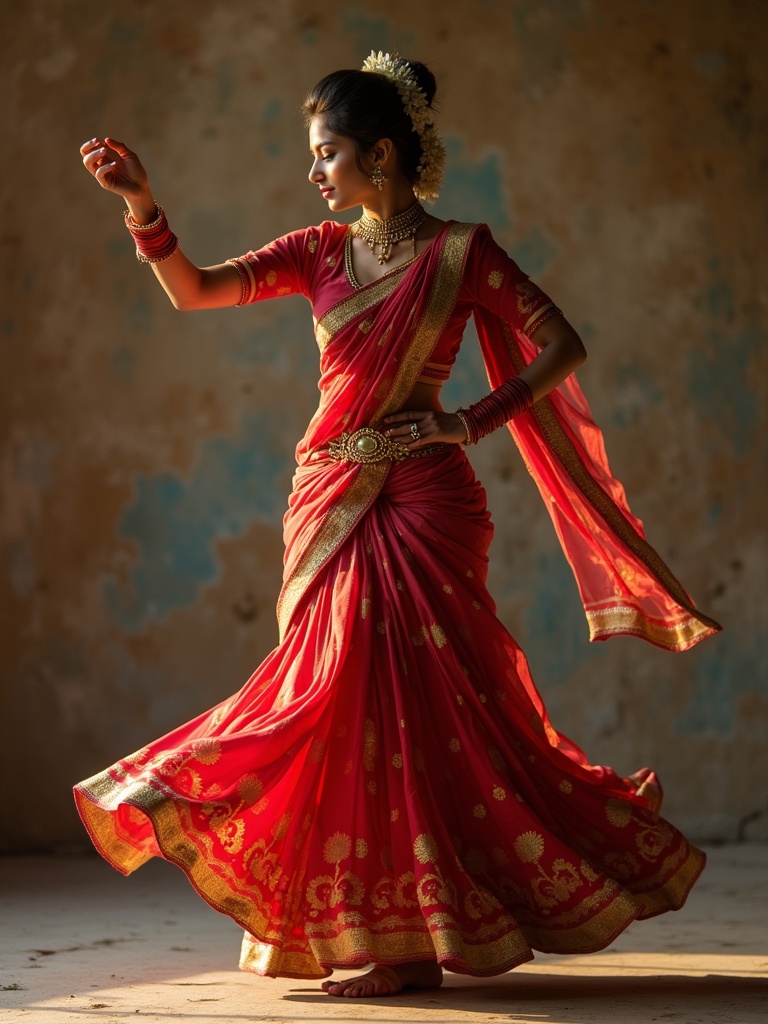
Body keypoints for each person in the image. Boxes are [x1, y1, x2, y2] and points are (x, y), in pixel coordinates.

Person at [74, 52, 721, 999]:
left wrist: (470, 419)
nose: (314, 173)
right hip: (330, 499)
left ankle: (414, 944)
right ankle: (381, 924)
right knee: (342, 703)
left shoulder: (461, 253)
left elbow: (562, 344)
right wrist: (142, 205)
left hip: (425, 503)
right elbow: (197, 290)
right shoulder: (320, 252)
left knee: (414, 707)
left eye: (326, 154)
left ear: (380, 155)